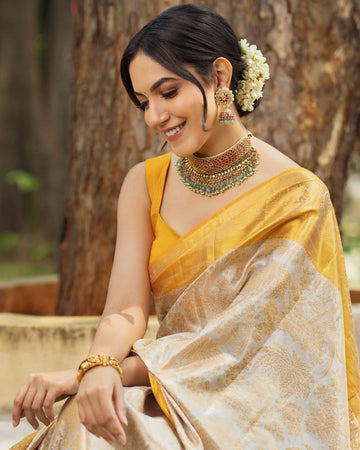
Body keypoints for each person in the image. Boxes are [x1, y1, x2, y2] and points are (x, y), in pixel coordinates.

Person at [11, 3, 360, 449]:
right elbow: (123, 311)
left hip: (255, 411)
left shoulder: (296, 199)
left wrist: (101, 372)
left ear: (219, 76)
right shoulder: (145, 183)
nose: (155, 116)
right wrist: (98, 365)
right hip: (171, 388)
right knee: (88, 418)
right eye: (143, 102)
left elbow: (236, 348)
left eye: (168, 92)